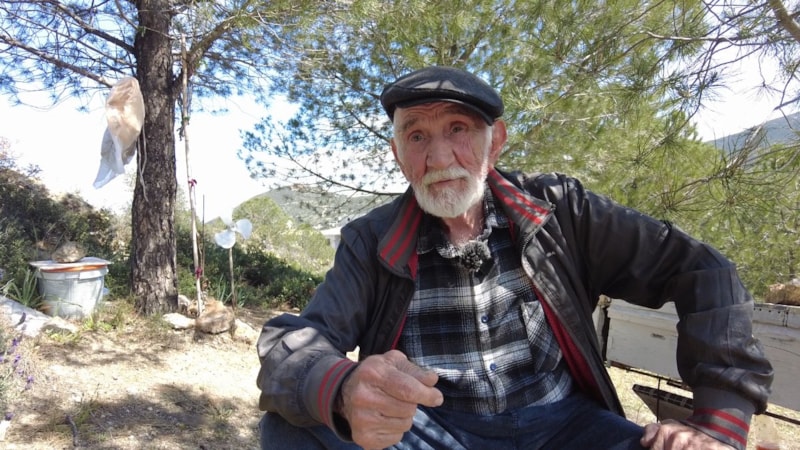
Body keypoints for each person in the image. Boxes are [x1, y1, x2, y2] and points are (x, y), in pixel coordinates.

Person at [256, 66, 773, 450]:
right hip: (434, 428)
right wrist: (343, 387)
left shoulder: (561, 210)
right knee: (292, 430)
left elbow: (702, 269)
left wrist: (718, 425)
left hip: (565, 427)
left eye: (458, 129)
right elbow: (293, 343)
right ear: (398, 156)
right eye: (416, 136)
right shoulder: (371, 239)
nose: (438, 157)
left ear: (495, 142)